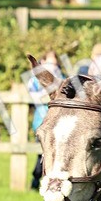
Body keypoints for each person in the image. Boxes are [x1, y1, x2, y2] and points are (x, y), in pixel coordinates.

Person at [28, 49, 61, 190]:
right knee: (40, 153)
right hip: (41, 120)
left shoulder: (62, 78)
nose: (52, 67)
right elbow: (35, 97)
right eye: (49, 63)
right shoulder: (34, 81)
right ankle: (37, 178)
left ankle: (48, 181)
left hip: (58, 123)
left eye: (54, 64)